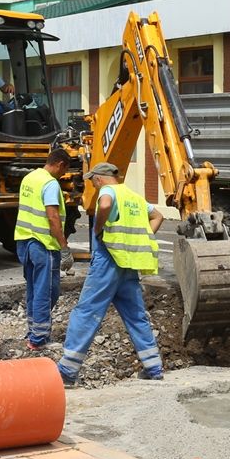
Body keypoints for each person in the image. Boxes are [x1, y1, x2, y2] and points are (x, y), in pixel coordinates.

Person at [57, 162, 165, 387]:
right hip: (128, 263)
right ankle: (154, 368)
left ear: (98, 178)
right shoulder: (133, 196)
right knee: (136, 315)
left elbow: (105, 204)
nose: (93, 185)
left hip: (108, 261)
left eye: (92, 181)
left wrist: (98, 228)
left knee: (87, 311)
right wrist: (142, 239)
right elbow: (158, 216)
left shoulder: (107, 191)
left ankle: (67, 372)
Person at [14, 149, 73, 350]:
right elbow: (53, 217)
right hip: (43, 244)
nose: (63, 175)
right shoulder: (50, 184)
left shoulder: (29, 178)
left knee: (33, 287)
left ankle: (33, 331)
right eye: (64, 170)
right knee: (46, 291)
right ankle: (39, 339)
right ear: (60, 164)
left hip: (24, 241)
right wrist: (64, 247)